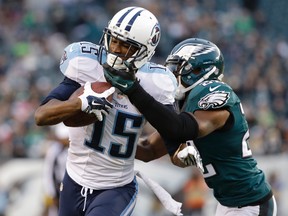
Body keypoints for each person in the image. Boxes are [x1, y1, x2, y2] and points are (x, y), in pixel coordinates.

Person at [103, 38, 277, 216]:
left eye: (178, 68)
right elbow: (149, 149)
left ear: (198, 70)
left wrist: (133, 90)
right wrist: (102, 139)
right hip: (228, 202)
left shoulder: (214, 92)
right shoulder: (187, 106)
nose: (172, 74)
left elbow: (182, 129)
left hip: (251, 202)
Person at [35, 6, 178, 216]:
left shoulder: (156, 83)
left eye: (126, 45)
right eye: (114, 40)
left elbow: (173, 131)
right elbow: (41, 115)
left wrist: (180, 145)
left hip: (115, 188)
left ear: (145, 51)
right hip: (72, 182)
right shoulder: (86, 66)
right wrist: (80, 103)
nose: (116, 49)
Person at [42, 123, 69, 216]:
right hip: (59, 187)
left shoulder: (74, 149)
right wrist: (52, 193)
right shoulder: (55, 150)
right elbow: (48, 172)